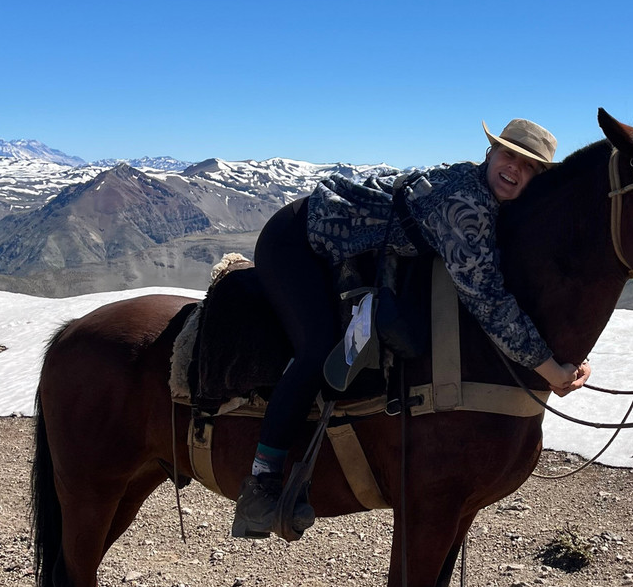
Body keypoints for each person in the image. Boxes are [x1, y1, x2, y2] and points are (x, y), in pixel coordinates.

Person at [231, 119, 592, 539]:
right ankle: (263, 480)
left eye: (528, 166)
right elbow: (489, 302)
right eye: (509, 154)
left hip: (349, 243)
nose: (514, 168)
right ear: (490, 152)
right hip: (297, 240)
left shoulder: (486, 194)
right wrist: (550, 369)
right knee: (317, 347)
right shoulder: (467, 205)